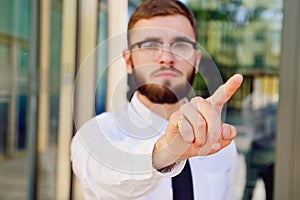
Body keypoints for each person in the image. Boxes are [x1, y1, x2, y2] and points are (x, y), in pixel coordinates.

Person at [71, 0, 243, 199]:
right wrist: (165, 152)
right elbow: (109, 173)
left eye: (180, 44)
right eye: (151, 45)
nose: (166, 57)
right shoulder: (96, 135)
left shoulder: (220, 143)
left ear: (196, 61)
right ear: (128, 61)